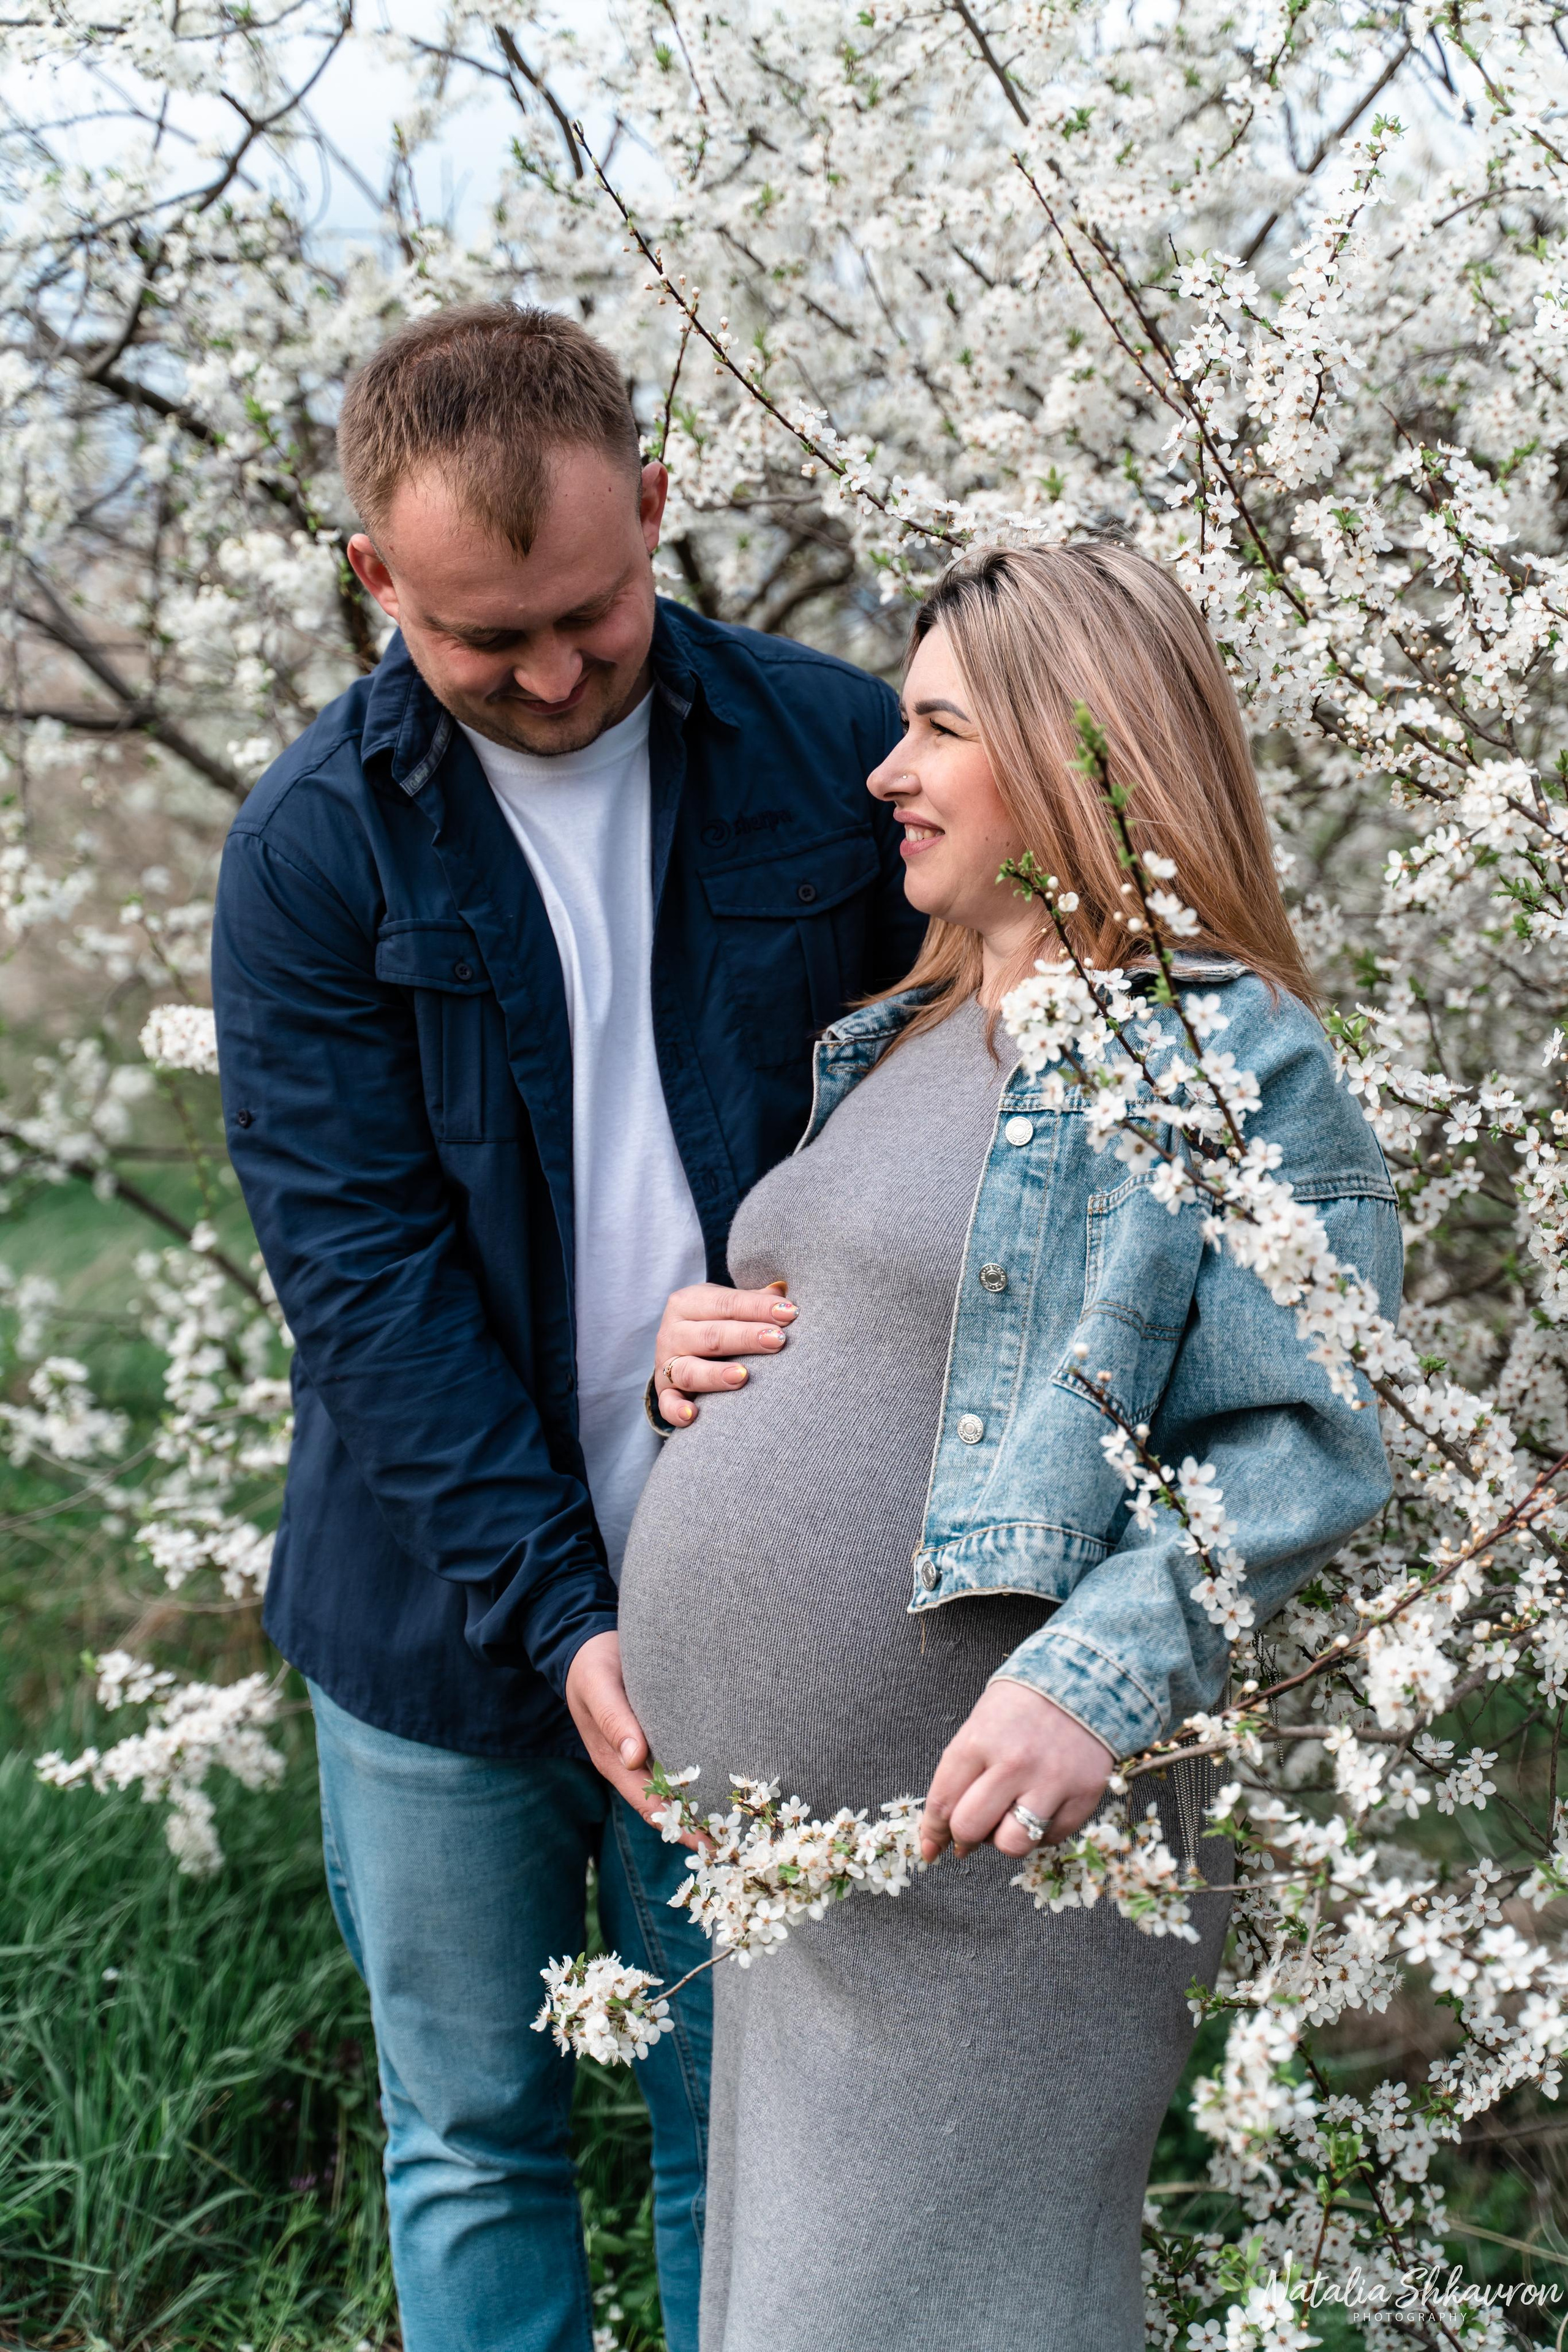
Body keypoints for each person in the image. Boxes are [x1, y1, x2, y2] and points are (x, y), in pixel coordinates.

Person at [209, 303, 925, 2352]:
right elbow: (361, 1285)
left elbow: (976, 1118)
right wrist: (561, 1612)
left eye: (592, 618)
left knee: (748, 2133)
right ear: (375, 580)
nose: (546, 675)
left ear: (663, 510)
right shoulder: (312, 852)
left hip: (764, 1585)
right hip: (437, 1619)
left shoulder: (834, 750)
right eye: (478, 636)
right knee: (476, 2132)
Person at [617, 541, 1403, 2352]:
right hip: (814, 1901)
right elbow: (883, 1328)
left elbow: (1311, 1433)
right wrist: (698, 1351)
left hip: (998, 1893)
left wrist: (1102, 1675)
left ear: (1079, 754)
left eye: (936, 730)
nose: (885, 773)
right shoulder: (904, 1032)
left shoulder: (1221, 1055)